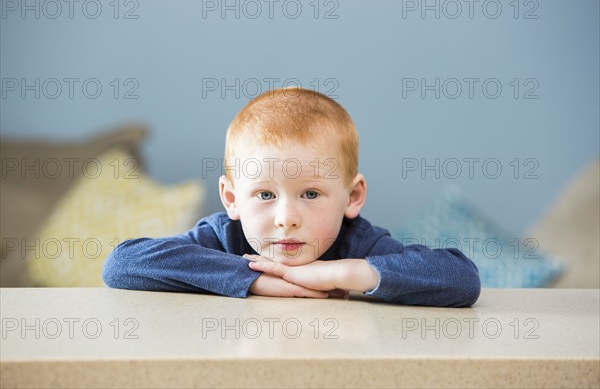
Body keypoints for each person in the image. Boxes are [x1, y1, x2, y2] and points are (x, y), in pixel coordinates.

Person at [102, 87, 481, 307]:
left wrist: (337, 272)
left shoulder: (358, 242)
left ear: (352, 197)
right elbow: (122, 264)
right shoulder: (223, 238)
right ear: (231, 199)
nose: (287, 218)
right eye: (265, 193)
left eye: (311, 193)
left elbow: (461, 278)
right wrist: (254, 280)